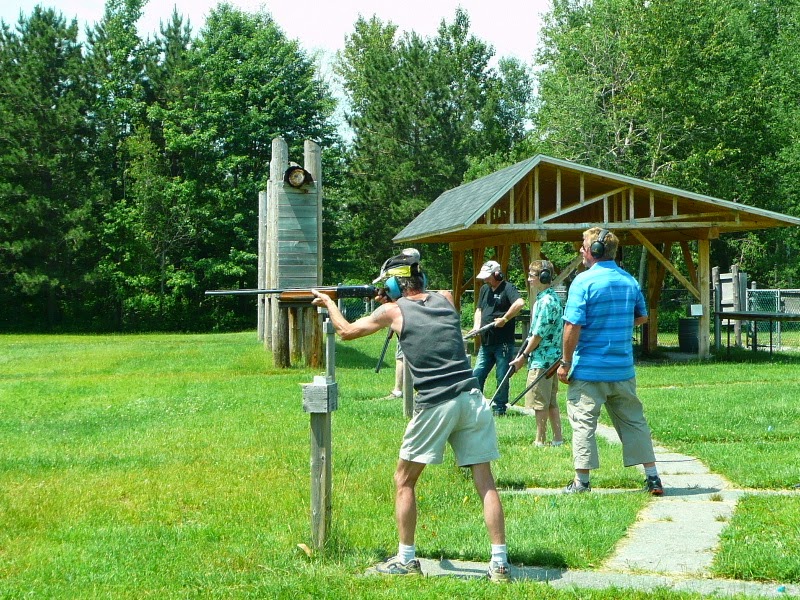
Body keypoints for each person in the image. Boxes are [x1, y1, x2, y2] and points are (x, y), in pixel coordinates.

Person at [311, 253, 511, 583]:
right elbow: (426, 305)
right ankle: (500, 563)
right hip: (472, 397)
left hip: (436, 402)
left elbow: (345, 331)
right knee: (485, 480)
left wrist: (328, 302)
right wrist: (394, 296)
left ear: (393, 285)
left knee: (404, 481)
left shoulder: (392, 310)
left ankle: (406, 558)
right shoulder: (445, 300)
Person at [557, 227, 664, 496]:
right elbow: (642, 316)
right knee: (634, 422)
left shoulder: (583, 282)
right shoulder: (629, 281)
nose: (581, 250)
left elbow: (572, 326)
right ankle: (653, 478)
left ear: (595, 251)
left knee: (583, 423)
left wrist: (565, 362)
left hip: (589, 371)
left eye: (584, 245)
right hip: (622, 369)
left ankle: (581, 483)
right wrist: (614, 325)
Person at [509, 260, 564, 447]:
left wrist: (522, 356)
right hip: (552, 359)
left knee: (540, 402)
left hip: (542, 360)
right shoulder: (549, 298)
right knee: (550, 401)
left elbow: (538, 334)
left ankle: (539, 440)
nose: (529, 279)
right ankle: (557, 439)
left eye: (532, 275)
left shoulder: (546, 301)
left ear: (544, 277)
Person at [467, 260, 525, 416]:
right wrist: (476, 326)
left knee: (501, 375)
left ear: (497, 274)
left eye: (488, 277)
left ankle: (499, 408)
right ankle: (474, 404)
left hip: (503, 343)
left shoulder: (508, 288)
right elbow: (479, 309)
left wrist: (505, 319)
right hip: (486, 342)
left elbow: (520, 303)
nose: (485, 280)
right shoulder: (485, 289)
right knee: (477, 373)